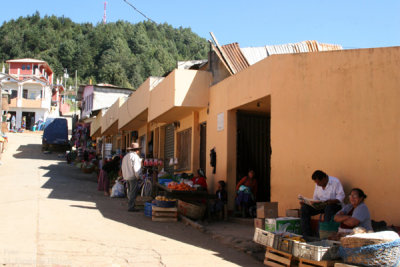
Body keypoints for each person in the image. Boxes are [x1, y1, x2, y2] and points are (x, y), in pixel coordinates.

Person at [300, 170, 345, 237]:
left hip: (334, 205)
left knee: (328, 208)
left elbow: (341, 196)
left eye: (318, 183)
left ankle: (325, 234)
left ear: (324, 179)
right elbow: (315, 198)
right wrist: (307, 203)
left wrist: (332, 201)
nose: (317, 185)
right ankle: (306, 235)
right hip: (321, 205)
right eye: (316, 183)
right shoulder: (317, 184)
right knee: (304, 209)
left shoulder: (335, 182)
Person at [121, 142, 143, 212]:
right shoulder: (135, 157)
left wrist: (124, 176)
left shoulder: (126, 156)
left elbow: (122, 167)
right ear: (136, 150)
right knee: (133, 192)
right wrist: (139, 176)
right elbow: (136, 169)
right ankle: (131, 207)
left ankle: (130, 205)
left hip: (127, 177)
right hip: (133, 177)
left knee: (130, 191)